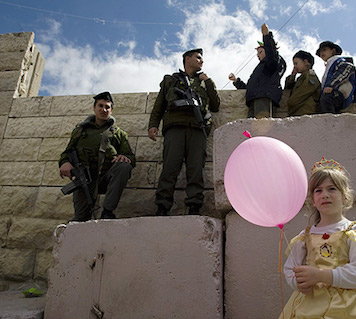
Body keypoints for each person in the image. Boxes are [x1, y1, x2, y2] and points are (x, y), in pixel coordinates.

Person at [279, 158, 356, 319]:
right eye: (318, 190)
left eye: (332, 189)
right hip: (309, 304)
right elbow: (290, 269)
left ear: (345, 197)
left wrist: (321, 275)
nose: (325, 195)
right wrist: (299, 282)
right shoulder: (304, 237)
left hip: (346, 306)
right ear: (313, 201)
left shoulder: (353, 231)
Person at [148, 48, 220, 216]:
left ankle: (194, 206)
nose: (201, 61)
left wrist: (208, 81)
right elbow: (159, 106)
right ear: (187, 59)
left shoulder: (204, 82)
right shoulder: (171, 80)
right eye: (198, 57)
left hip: (197, 129)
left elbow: (215, 105)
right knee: (170, 168)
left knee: (195, 170)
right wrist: (153, 125)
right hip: (175, 128)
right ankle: (162, 206)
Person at [59, 92, 136, 221]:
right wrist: (64, 163)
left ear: (111, 111)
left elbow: (130, 157)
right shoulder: (80, 131)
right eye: (100, 106)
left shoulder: (118, 134)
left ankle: (107, 212)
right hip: (84, 180)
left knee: (124, 166)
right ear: (94, 108)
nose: (103, 110)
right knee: (80, 220)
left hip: (106, 178)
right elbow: (67, 152)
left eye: (107, 107)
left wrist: (124, 158)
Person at [228, 23, 286, 118]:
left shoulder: (273, 62)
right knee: (251, 130)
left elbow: (272, 54)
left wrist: (267, 36)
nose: (258, 55)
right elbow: (251, 87)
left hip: (263, 98)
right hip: (253, 99)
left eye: (260, 52)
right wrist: (236, 81)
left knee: (262, 127)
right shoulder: (261, 68)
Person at [316, 41, 356, 114]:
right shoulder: (329, 64)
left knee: (327, 102)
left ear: (333, 51)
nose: (322, 53)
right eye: (320, 51)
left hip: (337, 93)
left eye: (324, 50)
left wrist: (331, 85)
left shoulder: (337, 60)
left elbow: (347, 68)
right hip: (333, 95)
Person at [284, 50, 321, 116]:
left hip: (305, 111)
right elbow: (288, 87)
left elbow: (303, 92)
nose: (294, 66)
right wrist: (292, 76)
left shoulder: (310, 75)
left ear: (305, 62)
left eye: (296, 63)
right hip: (298, 111)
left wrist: (290, 102)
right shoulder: (300, 78)